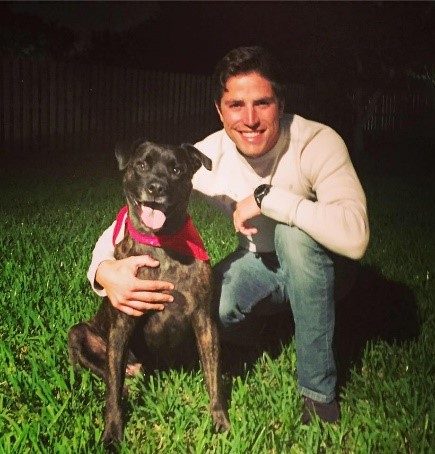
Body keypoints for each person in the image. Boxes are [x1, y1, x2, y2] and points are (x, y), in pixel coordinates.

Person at [87, 46, 369, 424]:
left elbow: (356, 237)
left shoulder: (318, 142)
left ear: (280, 104)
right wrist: (104, 271)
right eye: (236, 105)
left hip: (328, 265)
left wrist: (270, 199)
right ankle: (287, 325)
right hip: (260, 262)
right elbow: (131, 217)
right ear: (220, 112)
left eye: (262, 103)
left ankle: (318, 395)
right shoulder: (206, 156)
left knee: (292, 236)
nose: (249, 119)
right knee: (215, 303)